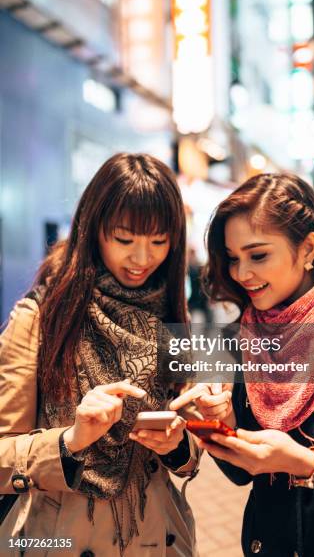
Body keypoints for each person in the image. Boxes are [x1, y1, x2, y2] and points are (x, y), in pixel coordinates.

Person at [171, 172, 314, 557]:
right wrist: (226, 423)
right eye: (233, 258)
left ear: (308, 248)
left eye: (258, 255)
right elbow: (243, 472)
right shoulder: (243, 336)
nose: (242, 274)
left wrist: (311, 464)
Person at [0, 153, 199, 556]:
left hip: (157, 536)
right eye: (124, 239)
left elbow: (194, 451)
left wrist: (179, 445)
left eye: (159, 241)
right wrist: (70, 440)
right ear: (94, 230)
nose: (142, 259)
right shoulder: (40, 316)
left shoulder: (176, 315)